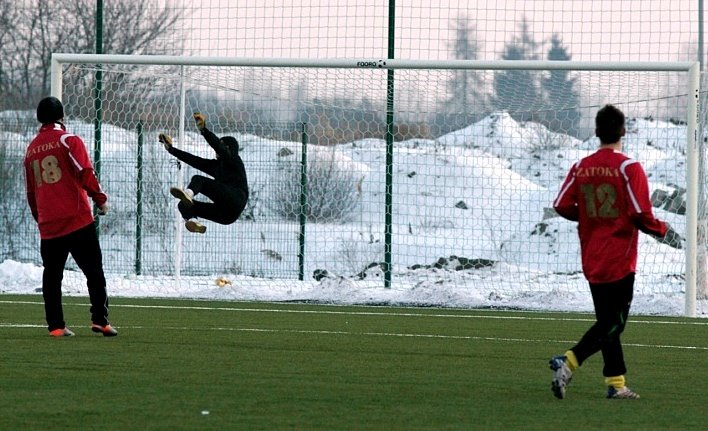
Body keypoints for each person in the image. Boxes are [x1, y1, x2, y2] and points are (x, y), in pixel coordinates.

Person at [550, 104, 675, 400]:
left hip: (592, 255)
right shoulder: (628, 168)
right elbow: (639, 212)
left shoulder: (581, 166)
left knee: (607, 321)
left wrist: (590, 218)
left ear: (596, 132)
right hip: (619, 257)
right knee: (613, 322)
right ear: (623, 132)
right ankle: (569, 360)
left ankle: (616, 383)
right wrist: (662, 229)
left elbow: (561, 204)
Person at [24, 96, 117, 337]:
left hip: (49, 224)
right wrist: (100, 199)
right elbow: (85, 171)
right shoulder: (68, 140)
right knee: (94, 271)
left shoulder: (31, 149)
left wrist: (40, 218)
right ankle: (100, 321)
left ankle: (56, 326)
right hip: (76, 219)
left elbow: (31, 191)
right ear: (62, 117)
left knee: (52, 276)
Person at [159, 112, 249, 234]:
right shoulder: (216, 166)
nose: (216, 151)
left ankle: (188, 194)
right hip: (227, 216)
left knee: (198, 180)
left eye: (220, 147)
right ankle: (193, 221)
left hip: (236, 198)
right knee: (183, 205)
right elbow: (194, 160)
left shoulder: (234, 160)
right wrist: (171, 149)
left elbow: (219, 147)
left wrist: (203, 130)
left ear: (228, 148)